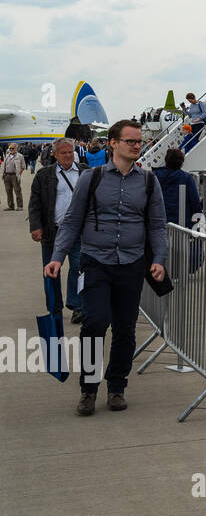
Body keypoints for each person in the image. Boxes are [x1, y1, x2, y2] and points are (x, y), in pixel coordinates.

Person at [46, 119, 167, 416]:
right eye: (130, 141)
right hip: (96, 261)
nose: (137, 146)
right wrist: (58, 256)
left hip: (131, 263)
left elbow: (157, 225)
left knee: (125, 329)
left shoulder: (149, 180)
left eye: (139, 141)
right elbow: (73, 219)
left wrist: (159, 260)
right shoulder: (93, 177)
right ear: (113, 143)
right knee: (95, 323)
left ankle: (117, 387)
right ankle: (88, 390)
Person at [28, 138, 89, 323]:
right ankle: (54, 309)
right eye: (64, 153)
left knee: (79, 268)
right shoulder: (44, 175)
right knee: (51, 270)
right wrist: (35, 226)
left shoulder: (85, 172)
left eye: (70, 152)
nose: (68, 156)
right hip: (52, 231)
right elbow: (35, 202)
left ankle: (76, 305)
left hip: (79, 232)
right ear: (54, 154)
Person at [154, 148, 202, 226]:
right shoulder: (186, 178)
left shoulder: (154, 176)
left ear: (166, 160)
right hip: (181, 222)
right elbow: (194, 201)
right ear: (181, 162)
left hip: (158, 222)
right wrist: (197, 218)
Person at [3, 143, 25, 210]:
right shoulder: (7, 156)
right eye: (10, 148)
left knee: (17, 191)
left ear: (16, 148)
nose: (11, 150)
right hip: (7, 175)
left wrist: (19, 174)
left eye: (13, 148)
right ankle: (11, 206)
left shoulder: (20, 156)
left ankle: (20, 206)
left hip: (14, 176)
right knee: (8, 191)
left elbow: (23, 167)